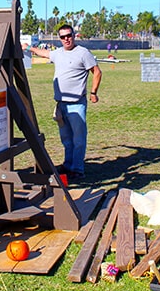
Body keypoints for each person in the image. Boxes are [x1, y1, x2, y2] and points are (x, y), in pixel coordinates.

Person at [24, 24, 102, 179]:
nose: (67, 39)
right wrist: (29, 48)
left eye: (69, 35)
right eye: (63, 37)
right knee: (66, 139)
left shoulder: (83, 53)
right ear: (59, 39)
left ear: (74, 35)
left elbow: (97, 72)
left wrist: (93, 92)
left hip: (76, 104)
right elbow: (45, 53)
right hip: (61, 104)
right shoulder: (58, 53)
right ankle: (68, 166)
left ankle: (77, 169)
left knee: (78, 139)